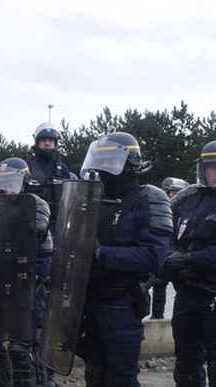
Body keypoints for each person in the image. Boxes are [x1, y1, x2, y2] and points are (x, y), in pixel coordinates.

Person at [75, 132, 171, 386]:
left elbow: (155, 255)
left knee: (121, 378)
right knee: (94, 373)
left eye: (111, 162)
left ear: (130, 164)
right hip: (89, 303)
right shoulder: (94, 200)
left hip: (121, 303)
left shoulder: (150, 199)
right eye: (100, 161)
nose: (103, 168)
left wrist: (101, 254)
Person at [0, 158, 52, 387]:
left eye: (12, 182)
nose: (6, 188)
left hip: (30, 280)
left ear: (25, 182)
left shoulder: (36, 204)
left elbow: (29, 239)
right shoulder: (1, 209)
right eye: (3, 183)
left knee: (24, 346)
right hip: (3, 276)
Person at [163, 141, 216, 386]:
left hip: (213, 293)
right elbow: (165, 232)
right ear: (203, 169)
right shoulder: (188, 198)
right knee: (185, 361)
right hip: (186, 292)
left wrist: (189, 258)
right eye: (212, 167)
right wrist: (170, 256)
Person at [152, 177, 191, 320]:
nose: (172, 195)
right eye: (171, 192)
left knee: (183, 291)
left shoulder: (189, 213)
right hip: (166, 255)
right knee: (158, 284)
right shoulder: (166, 211)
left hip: (181, 258)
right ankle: (156, 318)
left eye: (176, 192)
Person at [25, 122, 72, 236]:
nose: (47, 143)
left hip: (58, 229)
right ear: (37, 142)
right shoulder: (27, 166)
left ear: (55, 143)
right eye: (44, 140)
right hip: (31, 228)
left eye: (50, 140)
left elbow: (71, 199)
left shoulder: (63, 169)